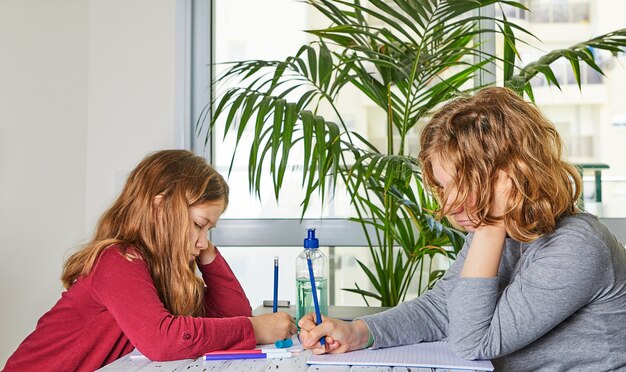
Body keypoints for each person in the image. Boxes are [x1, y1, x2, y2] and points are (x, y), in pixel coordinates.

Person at [298, 87, 626, 371]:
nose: (450, 206)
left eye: (465, 185)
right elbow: (443, 307)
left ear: (511, 175)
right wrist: (359, 332)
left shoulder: (577, 246)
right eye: (444, 188)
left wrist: (491, 222)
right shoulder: (504, 232)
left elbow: (472, 341)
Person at [4, 149, 297, 371]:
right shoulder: (118, 259)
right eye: (198, 224)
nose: (203, 240)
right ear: (160, 208)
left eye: (210, 229)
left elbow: (231, 315)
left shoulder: (160, 272)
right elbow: (162, 340)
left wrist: (206, 252)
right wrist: (254, 328)